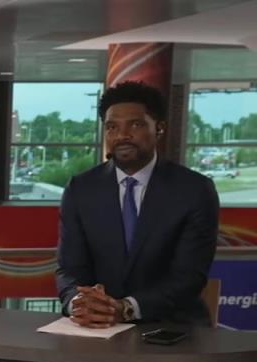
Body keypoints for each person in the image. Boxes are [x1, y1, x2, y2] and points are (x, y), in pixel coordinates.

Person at [56, 81, 219, 327]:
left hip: (172, 327)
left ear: (159, 128)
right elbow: (70, 269)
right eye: (112, 127)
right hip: (97, 327)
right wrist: (80, 303)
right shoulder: (80, 189)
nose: (122, 135)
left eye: (135, 124)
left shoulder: (195, 190)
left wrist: (127, 308)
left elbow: (188, 276)